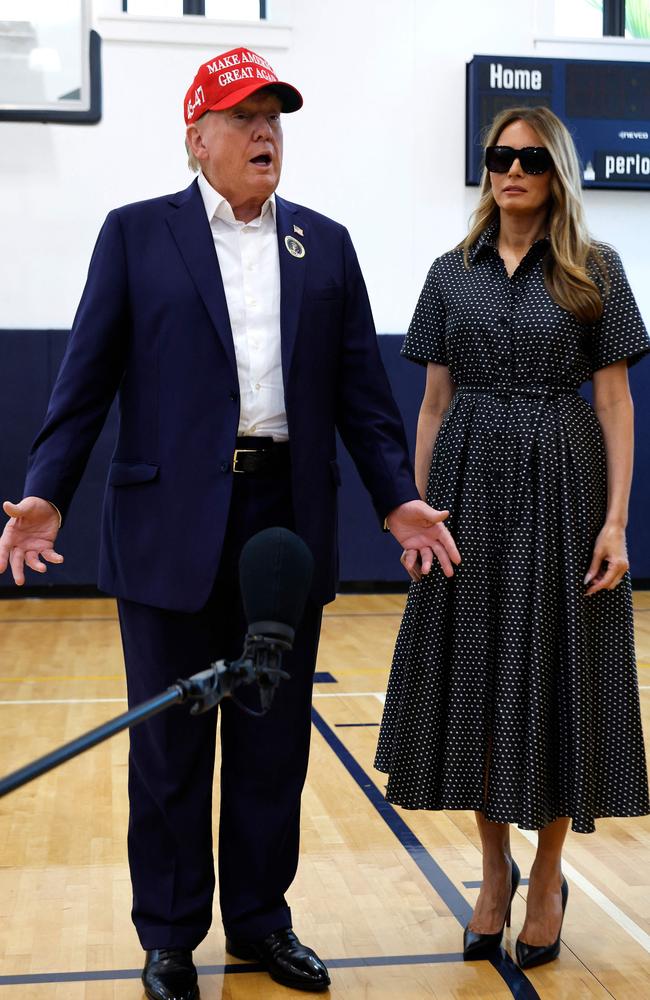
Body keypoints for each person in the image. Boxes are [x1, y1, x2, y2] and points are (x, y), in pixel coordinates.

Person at [0, 48, 461, 1000]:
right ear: (196, 136)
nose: (265, 134)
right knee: (169, 748)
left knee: (271, 741)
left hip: (282, 526)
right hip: (167, 523)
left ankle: (259, 923)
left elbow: (366, 402)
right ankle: (169, 936)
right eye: (245, 117)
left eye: (276, 119)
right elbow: (83, 383)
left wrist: (394, 496)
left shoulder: (324, 245)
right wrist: (47, 487)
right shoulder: (134, 236)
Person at [375, 105, 650, 970]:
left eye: (530, 157)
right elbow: (432, 403)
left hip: (563, 493)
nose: (512, 169)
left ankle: (549, 874)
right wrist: (416, 512)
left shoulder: (595, 269)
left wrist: (615, 520)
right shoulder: (448, 272)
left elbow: (613, 402)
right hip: (466, 495)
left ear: (557, 169)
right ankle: (494, 872)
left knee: (557, 683)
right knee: (477, 687)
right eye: (499, 156)